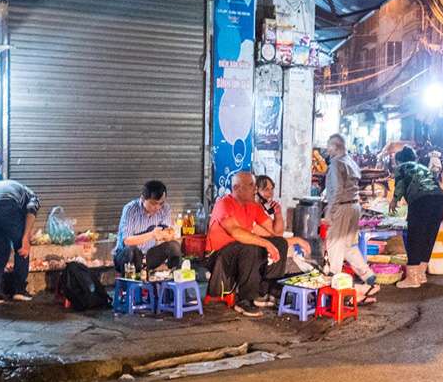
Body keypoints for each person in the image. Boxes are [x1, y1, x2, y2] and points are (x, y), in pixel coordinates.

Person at [206, 172, 310, 318]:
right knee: (251, 246)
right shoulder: (223, 204)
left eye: (254, 185)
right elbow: (236, 232)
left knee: (278, 243)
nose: (254, 189)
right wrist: (265, 243)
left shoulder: (253, 206)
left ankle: (266, 289)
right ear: (236, 187)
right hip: (218, 256)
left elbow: (275, 233)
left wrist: (281, 217)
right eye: (250, 185)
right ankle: (244, 300)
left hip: (242, 252)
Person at [322, 134, 379, 303]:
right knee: (347, 245)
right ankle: (368, 276)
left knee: (334, 244)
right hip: (354, 206)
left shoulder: (336, 164)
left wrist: (329, 213)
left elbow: (336, 191)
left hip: (342, 207)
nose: (327, 150)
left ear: (335, 147)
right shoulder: (350, 161)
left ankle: (335, 283)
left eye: (328, 146)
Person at [390, 147, 443, 289]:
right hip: (439, 199)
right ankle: (421, 274)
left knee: (415, 236)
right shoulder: (421, 166)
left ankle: (412, 279)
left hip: (421, 200)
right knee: (428, 236)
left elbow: (400, 186)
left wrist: (394, 201)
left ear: (399, 160)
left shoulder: (401, 167)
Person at [0, 179, 40, 303]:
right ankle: (19, 291)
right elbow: (31, 212)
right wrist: (26, 238)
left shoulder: (14, 189)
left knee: (2, 250)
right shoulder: (33, 197)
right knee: (21, 247)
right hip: (6, 202)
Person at [114, 180, 182, 274]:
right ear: (143, 198)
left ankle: (172, 276)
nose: (157, 207)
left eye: (161, 203)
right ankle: (136, 278)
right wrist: (152, 234)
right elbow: (127, 241)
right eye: (153, 203)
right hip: (126, 256)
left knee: (174, 246)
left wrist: (168, 235)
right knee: (132, 250)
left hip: (148, 255)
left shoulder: (165, 208)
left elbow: (166, 233)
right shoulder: (130, 209)